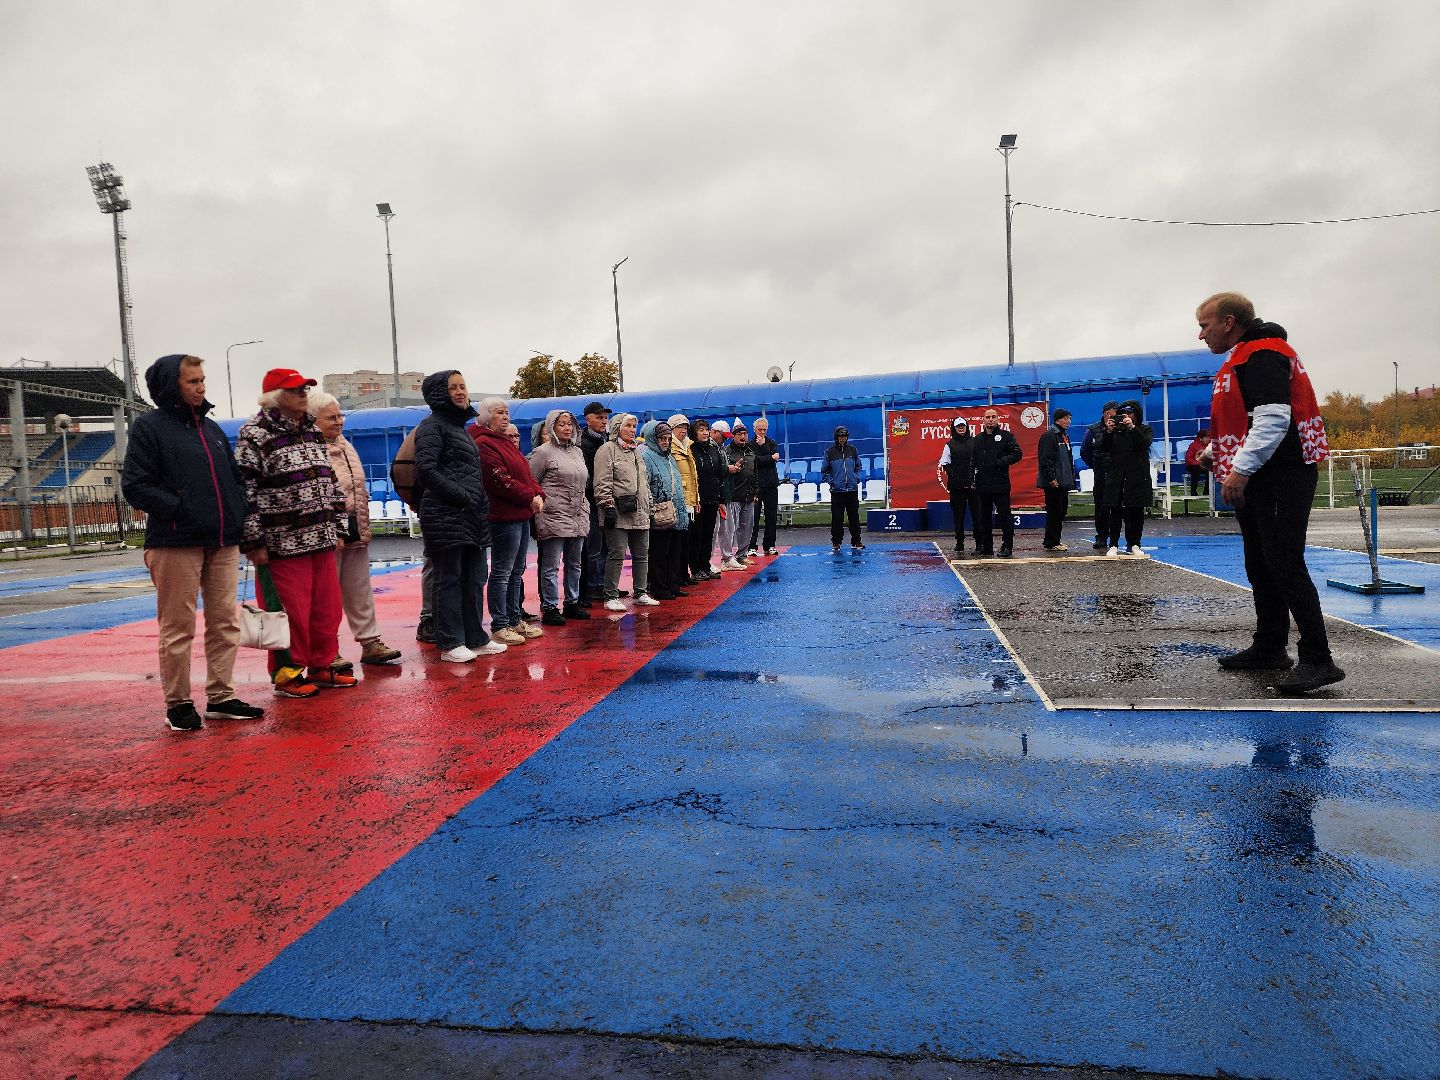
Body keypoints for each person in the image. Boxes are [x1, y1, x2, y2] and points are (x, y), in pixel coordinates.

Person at [1197, 290, 1343, 694]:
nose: (1201, 335)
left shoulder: (1264, 353)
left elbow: (1274, 417)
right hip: (1265, 472)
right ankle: (1269, 647)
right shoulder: (1245, 354)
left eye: (1205, 325)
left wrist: (1239, 469)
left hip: (1281, 472)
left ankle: (1318, 659)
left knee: (1284, 563)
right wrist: (1216, 452)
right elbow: (1244, 417)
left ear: (1229, 321)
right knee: (1261, 563)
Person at [121, 354, 263, 731]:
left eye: (202, 380)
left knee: (224, 623)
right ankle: (179, 703)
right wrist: (181, 510)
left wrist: (236, 512)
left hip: (222, 540)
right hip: (175, 541)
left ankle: (221, 696)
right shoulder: (149, 428)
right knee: (178, 626)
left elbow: (234, 479)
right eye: (192, 381)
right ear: (172, 385)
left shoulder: (212, 429)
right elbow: (135, 485)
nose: (201, 387)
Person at [236, 368, 356, 697]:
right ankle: (287, 673)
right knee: (290, 611)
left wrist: (339, 526)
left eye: (305, 389)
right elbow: (244, 490)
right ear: (274, 397)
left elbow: (328, 482)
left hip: (321, 538)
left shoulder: (312, 432)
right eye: (295, 390)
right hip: (280, 544)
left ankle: (322, 664)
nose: (303, 395)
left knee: (325, 608)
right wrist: (253, 540)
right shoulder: (255, 434)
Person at [413, 370, 505, 663]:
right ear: (439, 393)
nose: (460, 391)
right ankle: (450, 641)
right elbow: (427, 470)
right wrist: (462, 496)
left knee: (474, 577)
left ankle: (474, 636)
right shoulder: (431, 427)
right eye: (452, 387)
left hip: (470, 515)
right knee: (448, 578)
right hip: (446, 514)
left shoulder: (459, 429)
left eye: (463, 386)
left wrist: (476, 501)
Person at [310, 392, 402, 669]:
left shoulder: (344, 443)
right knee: (326, 595)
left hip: (355, 527)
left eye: (340, 416)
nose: (339, 421)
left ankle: (370, 642)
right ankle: (328, 650)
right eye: (331, 417)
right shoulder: (310, 447)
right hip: (328, 533)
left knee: (359, 588)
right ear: (313, 421)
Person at [471, 399, 544, 646]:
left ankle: (514, 619)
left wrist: (538, 494)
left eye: (506, 412)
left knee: (516, 571)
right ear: (485, 417)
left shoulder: (505, 443)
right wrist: (530, 497)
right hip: (503, 516)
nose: (505, 417)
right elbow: (499, 480)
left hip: (520, 514)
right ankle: (500, 624)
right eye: (499, 413)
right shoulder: (484, 443)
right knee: (502, 572)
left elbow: (525, 473)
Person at [528, 409, 591, 626]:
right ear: (552, 426)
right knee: (551, 565)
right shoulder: (542, 452)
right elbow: (532, 482)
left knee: (575, 563)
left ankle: (572, 602)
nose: (567, 427)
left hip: (578, 514)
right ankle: (550, 607)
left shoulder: (578, 452)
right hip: (553, 514)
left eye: (569, 423)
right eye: (562, 424)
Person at [593, 412, 658, 611]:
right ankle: (610, 596)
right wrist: (607, 505)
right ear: (617, 428)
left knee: (641, 554)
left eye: (634, 426)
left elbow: (644, 483)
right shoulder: (607, 450)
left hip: (640, 511)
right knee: (616, 554)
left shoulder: (636, 451)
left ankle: (640, 592)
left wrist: (650, 507)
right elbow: (602, 481)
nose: (632, 430)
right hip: (617, 512)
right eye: (628, 426)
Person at [640, 419, 690, 599]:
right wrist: (652, 507)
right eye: (662, 438)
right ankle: (659, 587)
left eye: (668, 438)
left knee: (674, 551)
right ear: (654, 438)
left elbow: (676, 484)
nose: (665, 441)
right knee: (659, 552)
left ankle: (672, 584)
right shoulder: (647, 456)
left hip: (674, 510)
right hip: (660, 510)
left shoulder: (669, 457)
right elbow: (646, 484)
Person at [1098, 400, 1152, 557]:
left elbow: (1143, 444)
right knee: (1114, 510)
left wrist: (1132, 428)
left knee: (1136, 512)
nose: (1126, 416)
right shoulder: (1115, 431)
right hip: (1117, 477)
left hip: (1137, 477)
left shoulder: (1144, 429)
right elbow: (1104, 448)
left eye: (1130, 413)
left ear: (1136, 415)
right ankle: (1113, 544)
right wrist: (1108, 431)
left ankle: (1134, 543)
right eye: (1123, 414)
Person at [971, 409, 1022, 558]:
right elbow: (973, 461)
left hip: (1000, 484)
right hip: (982, 485)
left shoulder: (1006, 436)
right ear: (983, 420)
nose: (990, 420)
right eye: (988, 417)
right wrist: (972, 480)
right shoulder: (977, 439)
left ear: (998, 419)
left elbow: (1017, 454)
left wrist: (1000, 462)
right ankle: (986, 547)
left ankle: (1007, 546)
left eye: (993, 417)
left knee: (1005, 517)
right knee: (984, 518)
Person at [579, 401, 612, 604]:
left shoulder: (606, 441)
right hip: (591, 501)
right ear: (588, 419)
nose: (603, 421)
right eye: (599, 417)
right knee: (595, 546)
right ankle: (594, 585)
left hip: (606, 500)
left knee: (609, 545)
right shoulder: (583, 444)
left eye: (605, 418)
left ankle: (606, 584)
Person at [688, 417, 725, 581]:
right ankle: (695, 569)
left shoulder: (713, 449)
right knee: (697, 535)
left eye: (706, 429)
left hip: (713, 498)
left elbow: (719, 474)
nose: (704, 432)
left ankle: (705, 565)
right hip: (698, 500)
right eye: (701, 430)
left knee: (709, 535)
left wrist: (720, 498)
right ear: (694, 433)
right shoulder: (691, 449)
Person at [1080, 401, 1118, 551]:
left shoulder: (1121, 427)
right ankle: (1101, 537)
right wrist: (1096, 465)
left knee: (1117, 507)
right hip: (1101, 474)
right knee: (1101, 507)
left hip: (1117, 473)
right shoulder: (1092, 430)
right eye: (1114, 413)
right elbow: (1084, 452)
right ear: (1106, 412)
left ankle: (1118, 538)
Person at [1036, 407, 1076, 553]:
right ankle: (1051, 542)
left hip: (1063, 482)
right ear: (1058, 419)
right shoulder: (1050, 435)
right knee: (1054, 512)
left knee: (1061, 511)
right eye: (1066, 418)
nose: (1069, 421)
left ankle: (1055, 540)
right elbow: (1045, 459)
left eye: (1069, 418)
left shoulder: (1064, 436)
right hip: (1054, 483)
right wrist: (1051, 478)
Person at [667, 414, 700, 586]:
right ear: (672, 429)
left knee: (687, 539)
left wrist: (696, 500)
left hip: (689, 499)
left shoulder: (688, 446)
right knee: (678, 540)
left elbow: (693, 476)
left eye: (686, 427)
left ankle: (683, 573)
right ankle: (677, 575)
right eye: (680, 427)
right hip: (678, 499)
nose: (683, 430)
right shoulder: (670, 447)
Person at [937, 417, 977, 557]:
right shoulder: (949, 445)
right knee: (958, 516)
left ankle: (979, 543)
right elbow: (945, 463)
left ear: (967, 426)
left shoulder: (975, 442)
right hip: (957, 486)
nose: (961, 428)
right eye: (958, 426)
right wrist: (955, 476)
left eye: (963, 425)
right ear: (954, 428)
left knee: (977, 515)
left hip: (974, 486)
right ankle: (959, 542)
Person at [821, 425, 864, 553]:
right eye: (840, 436)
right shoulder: (829, 452)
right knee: (837, 518)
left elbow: (858, 466)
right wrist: (832, 482)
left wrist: (856, 478)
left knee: (854, 517)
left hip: (852, 490)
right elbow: (825, 471)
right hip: (837, 491)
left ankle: (856, 540)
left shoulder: (853, 450)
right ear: (836, 437)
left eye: (844, 436)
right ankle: (836, 542)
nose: (843, 439)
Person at [723, 421, 757, 569]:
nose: (743, 436)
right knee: (730, 529)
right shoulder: (727, 451)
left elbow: (755, 473)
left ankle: (742, 555)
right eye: (739, 434)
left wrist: (756, 491)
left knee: (747, 528)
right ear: (733, 436)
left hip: (749, 495)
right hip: (733, 495)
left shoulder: (751, 452)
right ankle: (727, 558)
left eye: (745, 434)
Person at [747, 416, 781, 556]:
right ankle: (751, 546)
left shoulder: (771, 442)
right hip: (756, 485)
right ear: (754, 430)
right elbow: (755, 461)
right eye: (760, 429)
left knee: (771, 516)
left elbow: (774, 459)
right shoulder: (749, 445)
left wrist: (764, 446)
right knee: (753, 517)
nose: (762, 432)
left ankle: (770, 545)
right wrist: (770, 457)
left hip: (771, 484)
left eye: (764, 430)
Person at [708, 420, 735, 570]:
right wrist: (727, 469)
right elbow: (715, 471)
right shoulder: (711, 449)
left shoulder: (721, 449)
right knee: (714, 529)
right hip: (715, 495)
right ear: (714, 432)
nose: (725, 439)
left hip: (723, 494)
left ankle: (727, 557)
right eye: (723, 436)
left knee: (726, 528)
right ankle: (708, 560)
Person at [1184, 429, 1213, 495]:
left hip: (1206, 466)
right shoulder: (1193, 445)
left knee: (1211, 471)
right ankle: (1193, 492)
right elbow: (1188, 459)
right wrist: (1198, 463)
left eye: (1209, 437)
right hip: (1194, 465)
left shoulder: (1210, 446)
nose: (1208, 439)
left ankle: (1207, 492)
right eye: (1206, 437)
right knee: (1195, 471)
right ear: (1200, 438)